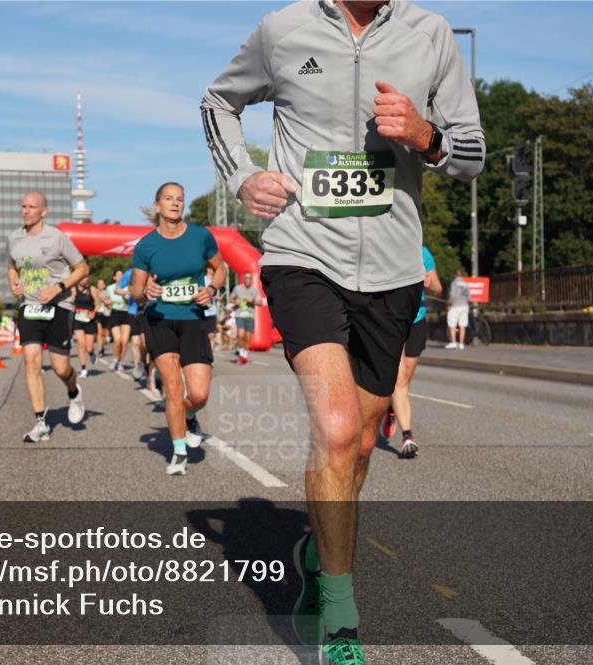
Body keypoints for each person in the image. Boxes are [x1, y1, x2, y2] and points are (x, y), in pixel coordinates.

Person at [202, 1, 484, 660]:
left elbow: (469, 153)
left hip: (392, 270)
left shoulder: (431, 34)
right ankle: (340, 613)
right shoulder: (282, 29)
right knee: (333, 427)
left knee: (357, 445)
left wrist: (427, 137)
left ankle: (314, 551)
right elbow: (218, 101)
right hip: (303, 255)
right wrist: (242, 177)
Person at [129, 182, 226, 476]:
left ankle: (188, 415)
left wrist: (211, 289)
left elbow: (221, 268)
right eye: (169, 199)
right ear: (157, 205)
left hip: (193, 318)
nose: (175, 203)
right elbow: (135, 291)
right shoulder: (146, 245)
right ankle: (179, 451)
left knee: (199, 394)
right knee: (172, 388)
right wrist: (147, 291)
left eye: (180, 199)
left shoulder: (200, 236)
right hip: (159, 319)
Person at [7, 191, 89, 442]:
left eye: (32, 207)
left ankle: (74, 392)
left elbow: (83, 268)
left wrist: (59, 288)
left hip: (59, 306)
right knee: (31, 361)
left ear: (44, 211)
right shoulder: (13, 238)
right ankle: (40, 421)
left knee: (60, 367)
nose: (26, 211)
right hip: (29, 307)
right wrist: (14, 283)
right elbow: (12, 267)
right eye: (24, 206)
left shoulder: (57, 237)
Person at [380, 246, 443, 457]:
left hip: (416, 321)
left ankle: (391, 408)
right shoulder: (385, 248)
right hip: (391, 320)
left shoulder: (422, 253)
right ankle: (408, 437)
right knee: (399, 381)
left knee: (407, 375)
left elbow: (438, 289)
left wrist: (430, 283)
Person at [71, 275, 101, 378]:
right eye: (81, 278)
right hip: (78, 319)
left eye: (85, 278)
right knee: (81, 344)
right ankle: (83, 368)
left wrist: (94, 312)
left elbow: (98, 304)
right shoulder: (74, 289)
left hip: (89, 320)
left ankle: (92, 353)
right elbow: (71, 304)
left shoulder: (91, 289)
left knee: (89, 347)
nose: (83, 280)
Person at [104, 269, 131, 372]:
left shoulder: (128, 287)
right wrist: (107, 302)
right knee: (117, 339)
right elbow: (106, 301)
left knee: (124, 341)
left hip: (126, 313)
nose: (120, 277)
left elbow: (131, 301)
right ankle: (115, 359)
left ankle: (121, 362)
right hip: (115, 313)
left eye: (122, 275)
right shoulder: (110, 288)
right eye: (118, 275)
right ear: (114, 277)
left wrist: (126, 296)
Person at [230, 272, 259, 365]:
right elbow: (230, 299)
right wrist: (235, 301)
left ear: (251, 280)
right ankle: (241, 356)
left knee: (247, 338)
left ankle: (245, 356)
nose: (247, 279)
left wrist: (253, 301)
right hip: (240, 315)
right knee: (241, 335)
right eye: (246, 278)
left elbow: (260, 302)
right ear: (243, 279)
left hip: (250, 316)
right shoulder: (238, 288)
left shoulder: (255, 290)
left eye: (249, 278)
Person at [446, 267, 470, 350]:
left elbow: (452, 296)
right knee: (462, 325)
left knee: (452, 324)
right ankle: (461, 343)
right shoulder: (465, 284)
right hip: (464, 306)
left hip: (455, 306)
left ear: (455, 274)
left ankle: (453, 342)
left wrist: (449, 304)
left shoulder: (454, 283)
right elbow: (468, 297)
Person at [202, 267, 219, 350]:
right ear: (208, 269)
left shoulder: (216, 281)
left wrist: (216, 297)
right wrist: (214, 296)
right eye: (212, 268)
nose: (214, 270)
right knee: (204, 336)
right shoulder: (203, 279)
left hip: (212, 312)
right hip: (203, 312)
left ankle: (211, 357)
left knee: (212, 335)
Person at [95, 278, 110, 358]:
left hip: (105, 313)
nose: (100, 285)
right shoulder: (95, 292)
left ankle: (102, 347)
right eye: (98, 283)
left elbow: (109, 304)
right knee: (99, 332)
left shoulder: (107, 292)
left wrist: (103, 299)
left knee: (103, 333)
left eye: (101, 284)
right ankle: (100, 349)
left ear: (104, 285)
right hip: (98, 313)